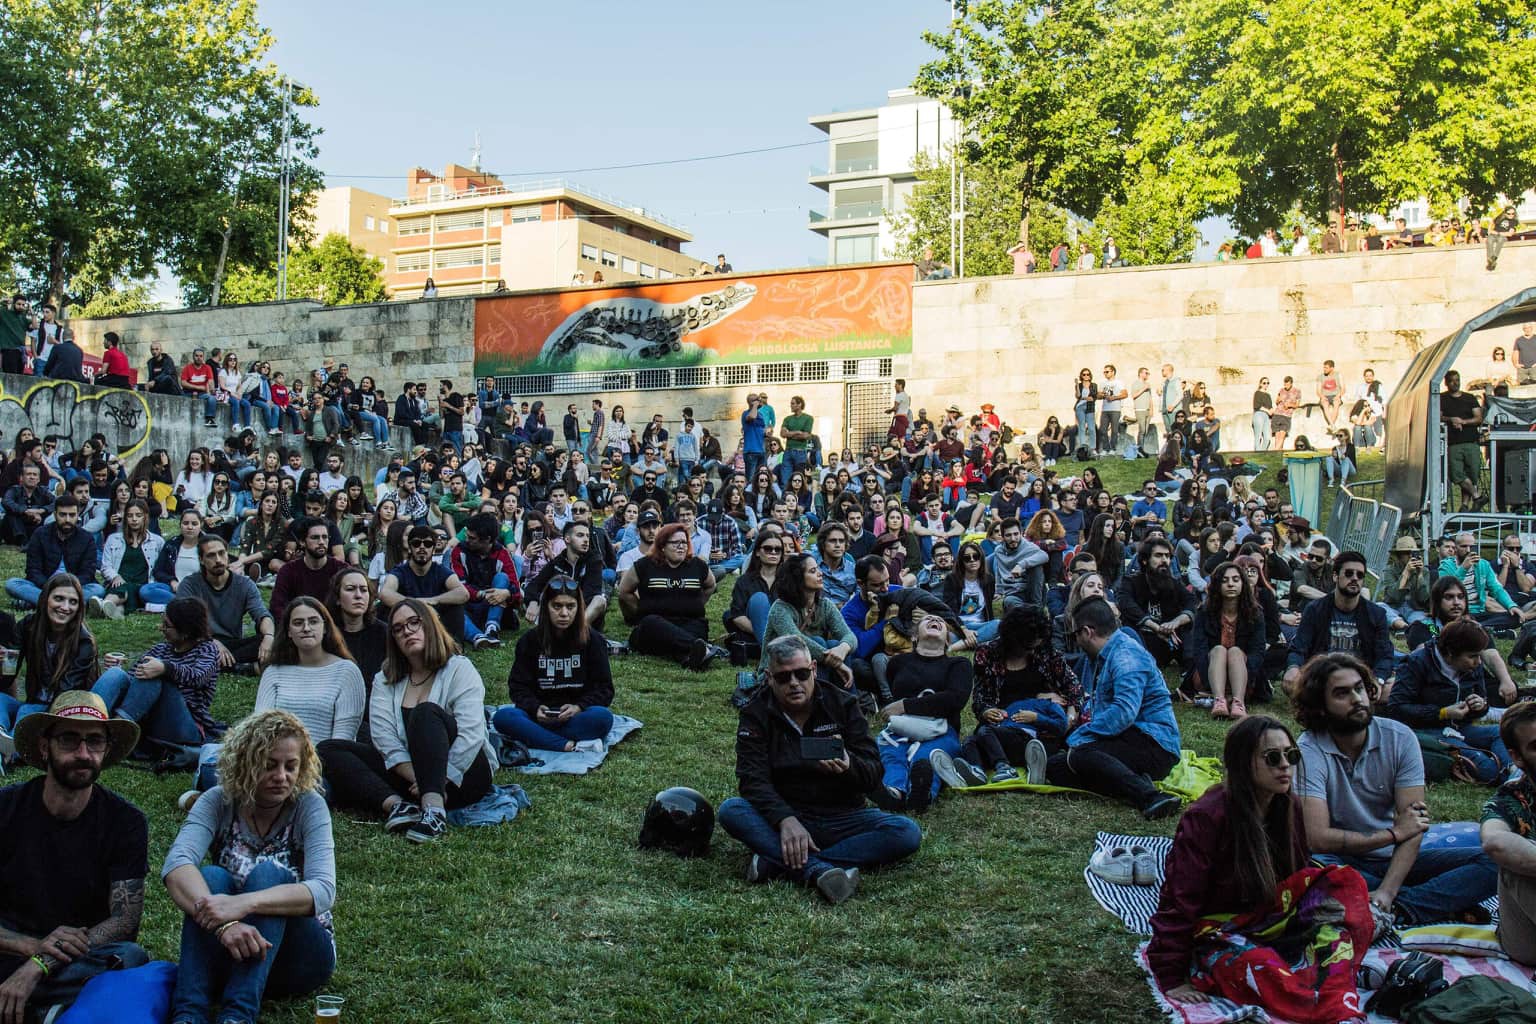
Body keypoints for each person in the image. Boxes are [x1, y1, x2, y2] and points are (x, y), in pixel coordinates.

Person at [1148, 717, 1371, 1015]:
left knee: (1346, 888)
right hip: (1220, 927)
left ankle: (1324, 980)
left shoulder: (1288, 805)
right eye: (1272, 757)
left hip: (1271, 916)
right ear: (1242, 762)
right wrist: (1171, 975)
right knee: (1258, 967)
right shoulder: (1207, 816)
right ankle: (1323, 1004)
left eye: (1291, 756)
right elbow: (1180, 897)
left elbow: (1298, 879)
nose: (1284, 766)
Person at [1295, 652, 1497, 925]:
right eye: (1342, 694)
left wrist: (1388, 892)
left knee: (1495, 862)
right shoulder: (1308, 749)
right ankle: (1436, 903)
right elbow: (1317, 839)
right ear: (1320, 706)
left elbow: (1413, 828)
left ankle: (1399, 907)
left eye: (1359, 689)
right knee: (1309, 871)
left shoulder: (1400, 738)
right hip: (1334, 860)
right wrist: (1392, 833)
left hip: (1394, 859)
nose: (1357, 699)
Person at [162, 710, 336, 1024]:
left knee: (269, 874)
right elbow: (177, 866)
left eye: (291, 766)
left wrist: (244, 903)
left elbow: (323, 891)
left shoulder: (309, 805)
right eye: (269, 765)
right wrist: (225, 924)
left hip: (299, 957)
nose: (282, 776)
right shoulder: (218, 801)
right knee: (210, 876)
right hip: (230, 948)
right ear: (245, 762)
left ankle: (238, 1016)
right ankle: (188, 1014)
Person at [718, 635, 921, 904]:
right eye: (783, 677)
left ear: (813, 668)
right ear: (768, 676)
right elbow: (751, 778)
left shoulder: (843, 704)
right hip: (787, 813)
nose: (794, 683)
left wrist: (849, 766)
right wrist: (785, 820)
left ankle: (781, 863)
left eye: (801, 674)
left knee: (906, 832)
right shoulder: (755, 712)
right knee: (732, 810)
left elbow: (873, 771)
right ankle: (818, 870)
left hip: (844, 815)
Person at [0, 691, 149, 1022]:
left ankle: (32, 1009)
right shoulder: (6, 807)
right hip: (10, 948)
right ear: (44, 746)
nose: (83, 753)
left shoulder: (126, 821)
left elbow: (125, 922)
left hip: (76, 957)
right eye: (69, 740)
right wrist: (32, 948)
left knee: (130, 957)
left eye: (94, 742)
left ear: (106, 750)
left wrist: (41, 964)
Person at [318, 601, 496, 844]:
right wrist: (419, 778)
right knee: (329, 749)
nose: (407, 631)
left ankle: (434, 812)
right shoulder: (385, 679)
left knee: (425, 713)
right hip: (410, 776)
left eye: (414, 622)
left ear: (430, 625)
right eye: (398, 629)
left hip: (462, 774)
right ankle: (399, 807)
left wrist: (436, 780)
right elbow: (384, 738)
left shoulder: (459, 668)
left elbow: (471, 734)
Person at [1046, 597, 1183, 817]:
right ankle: (1133, 777)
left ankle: (1150, 796)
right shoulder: (1106, 655)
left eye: (1075, 635)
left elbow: (1124, 712)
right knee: (1057, 767)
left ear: (1088, 632)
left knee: (1081, 753)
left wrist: (1083, 735)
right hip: (1125, 737)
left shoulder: (1126, 656)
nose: (1077, 642)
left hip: (1154, 744)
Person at [938, 604, 1083, 788]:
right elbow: (981, 698)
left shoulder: (1046, 653)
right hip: (1003, 724)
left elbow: (1074, 687)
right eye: (1027, 646)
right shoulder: (988, 653)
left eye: (1035, 644)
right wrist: (987, 711)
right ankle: (976, 771)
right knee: (973, 742)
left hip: (1037, 729)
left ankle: (1009, 765)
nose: (1032, 650)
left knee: (1033, 746)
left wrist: (1070, 714)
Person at [492, 582, 614, 752]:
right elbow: (518, 687)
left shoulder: (593, 640)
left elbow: (604, 689)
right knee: (503, 717)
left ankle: (539, 737)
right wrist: (535, 708)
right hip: (538, 715)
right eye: (557, 606)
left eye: (570, 606)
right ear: (545, 608)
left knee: (603, 718)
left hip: (576, 715)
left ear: (579, 608)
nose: (564, 613)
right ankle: (562, 743)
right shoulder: (529, 641)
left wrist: (579, 707)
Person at [869, 612, 971, 813]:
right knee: (892, 754)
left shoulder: (959, 665)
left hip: (942, 729)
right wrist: (908, 709)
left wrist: (906, 705)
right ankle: (894, 792)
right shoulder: (898, 663)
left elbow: (954, 699)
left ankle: (921, 796)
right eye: (928, 620)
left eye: (940, 621)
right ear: (914, 636)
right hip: (901, 728)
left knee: (927, 757)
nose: (935, 621)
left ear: (947, 639)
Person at [1387, 618, 1511, 780]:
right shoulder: (1417, 662)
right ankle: (1506, 774)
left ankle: (1512, 771)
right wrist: (1442, 713)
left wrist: (1480, 706)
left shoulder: (1472, 665)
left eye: (1479, 655)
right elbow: (1397, 708)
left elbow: (1481, 699)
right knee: (1488, 770)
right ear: (1451, 653)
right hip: (1427, 732)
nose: (1478, 662)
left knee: (1502, 732)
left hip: (1461, 728)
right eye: (1472, 656)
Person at [252, 598, 366, 748]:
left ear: (325, 628)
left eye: (313, 621)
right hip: (279, 763)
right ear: (289, 632)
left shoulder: (347, 672)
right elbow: (260, 728)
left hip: (330, 763)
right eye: (298, 623)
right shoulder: (273, 672)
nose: (306, 628)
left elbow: (343, 740)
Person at [0, 574, 100, 744]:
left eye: (73, 602)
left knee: (26, 711)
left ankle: (11, 749)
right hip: (31, 705)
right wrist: (4, 664)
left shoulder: (84, 642)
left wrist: (31, 710)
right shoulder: (27, 626)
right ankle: (3, 735)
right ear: (45, 599)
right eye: (59, 599)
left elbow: (64, 696)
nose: (65, 607)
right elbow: (7, 680)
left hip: (61, 711)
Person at [1283, 550, 1395, 694]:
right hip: (1322, 676)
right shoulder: (1315, 609)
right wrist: (1293, 667)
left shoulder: (1376, 614)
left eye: (1360, 575)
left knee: (1391, 688)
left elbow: (1385, 655)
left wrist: (1378, 679)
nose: (1355, 578)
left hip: (1360, 679)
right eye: (1349, 573)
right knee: (1290, 681)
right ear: (1335, 576)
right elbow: (1299, 647)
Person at [616, 522, 721, 671]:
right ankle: (698, 650)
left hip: (690, 623)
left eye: (684, 542)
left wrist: (697, 603)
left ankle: (690, 658)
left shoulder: (697, 565)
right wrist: (641, 609)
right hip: (655, 625)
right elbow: (624, 591)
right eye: (675, 542)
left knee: (697, 627)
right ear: (662, 546)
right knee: (651, 622)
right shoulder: (644, 565)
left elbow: (711, 585)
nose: (681, 546)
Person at [1480, 701, 1536, 963]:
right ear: (1517, 757)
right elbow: (1495, 842)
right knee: (1513, 861)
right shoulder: (1512, 797)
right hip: (1528, 937)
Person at [174, 534, 276, 674]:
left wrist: (269, 637)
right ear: (201, 560)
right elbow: (181, 622)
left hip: (233, 643)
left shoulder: (244, 584)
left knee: (277, 643)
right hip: (200, 641)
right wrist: (210, 642)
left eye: (222, 553)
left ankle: (221, 665)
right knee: (185, 647)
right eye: (211, 555)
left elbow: (261, 614)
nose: (218, 560)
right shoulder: (190, 585)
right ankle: (242, 668)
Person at [1187, 561, 1267, 718]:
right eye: (1225, 580)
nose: (1231, 584)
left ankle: (1238, 702)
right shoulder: (1204, 612)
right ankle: (1219, 700)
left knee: (1235, 651)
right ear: (1217, 585)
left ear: (1243, 583)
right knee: (1219, 650)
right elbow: (1199, 650)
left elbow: (1258, 651)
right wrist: (1207, 680)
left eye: (1236, 580)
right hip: (1211, 674)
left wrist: (1248, 677)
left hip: (1243, 675)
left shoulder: (1255, 613)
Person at [4, 493, 104, 609]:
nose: (67, 519)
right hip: (45, 585)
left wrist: (68, 586)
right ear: (55, 514)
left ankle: (39, 602)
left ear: (77, 516)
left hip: (73, 587)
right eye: (63, 515)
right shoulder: (40, 534)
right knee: (12, 584)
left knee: (98, 590)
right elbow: (33, 570)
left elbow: (87, 573)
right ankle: (69, 603)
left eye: (72, 515)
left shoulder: (86, 538)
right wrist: (51, 586)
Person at [379, 524, 469, 642]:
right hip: (407, 620)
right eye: (416, 543)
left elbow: (463, 593)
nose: (422, 547)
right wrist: (416, 605)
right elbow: (385, 593)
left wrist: (433, 600)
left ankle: (453, 650)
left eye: (427, 544)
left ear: (433, 548)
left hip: (435, 620)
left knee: (456, 607)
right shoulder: (400, 571)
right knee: (382, 608)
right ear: (410, 547)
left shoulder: (440, 570)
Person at [1119, 537, 1196, 667]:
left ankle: (1190, 665)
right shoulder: (1131, 582)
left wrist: (1175, 622)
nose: (1164, 560)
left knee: (1189, 625)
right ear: (1144, 560)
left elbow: (1191, 601)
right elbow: (1126, 604)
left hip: (1171, 637)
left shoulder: (1173, 583)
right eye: (1158, 556)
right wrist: (1156, 627)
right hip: (1145, 639)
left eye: (1167, 556)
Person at [448, 513, 521, 651]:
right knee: (452, 608)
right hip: (469, 605)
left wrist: (506, 593)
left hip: (496, 607)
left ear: (487, 539)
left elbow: (516, 590)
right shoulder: (459, 551)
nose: (467, 540)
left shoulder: (502, 554)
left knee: (502, 578)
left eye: (472, 538)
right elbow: (458, 586)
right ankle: (478, 637)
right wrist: (481, 594)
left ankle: (491, 628)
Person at [523, 519, 607, 629]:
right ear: (567, 539)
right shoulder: (558, 562)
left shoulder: (594, 560)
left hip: (582, 614)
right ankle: (550, 631)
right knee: (534, 599)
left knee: (599, 600)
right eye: (580, 535)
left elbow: (591, 593)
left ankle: (577, 631)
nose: (586, 540)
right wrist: (533, 602)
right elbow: (534, 584)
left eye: (587, 536)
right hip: (560, 611)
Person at [724, 529, 783, 646]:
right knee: (759, 599)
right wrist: (765, 631)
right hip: (753, 631)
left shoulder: (788, 581)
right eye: (768, 548)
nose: (773, 552)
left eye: (778, 549)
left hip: (782, 632)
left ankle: (769, 646)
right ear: (757, 552)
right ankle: (770, 647)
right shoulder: (744, 581)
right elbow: (737, 615)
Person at [1440, 370, 1485, 510]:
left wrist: (1463, 422)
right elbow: (1438, 416)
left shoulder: (1469, 398)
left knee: (1472, 475)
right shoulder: (1442, 398)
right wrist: (1451, 419)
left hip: (1471, 440)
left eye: (1457, 380)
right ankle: (1477, 496)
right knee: (1456, 474)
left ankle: (1465, 505)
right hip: (1453, 442)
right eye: (1452, 381)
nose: (1455, 383)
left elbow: (1478, 417)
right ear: (1446, 383)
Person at [990, 517, 1047, 613]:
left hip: (1032, 590)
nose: (1013, 539)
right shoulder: (999, 551)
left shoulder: (1029, 547)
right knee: (1009, 601)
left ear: (1021, 533)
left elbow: (1044, 556)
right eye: (1008, 535)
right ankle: (1028, 613)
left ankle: (1035, 609)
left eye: (1016, 534)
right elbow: (999, 572)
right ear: (1002, 537)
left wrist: (1021, 565)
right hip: (1014, 593)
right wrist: (998, 591)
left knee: (1036, 567)